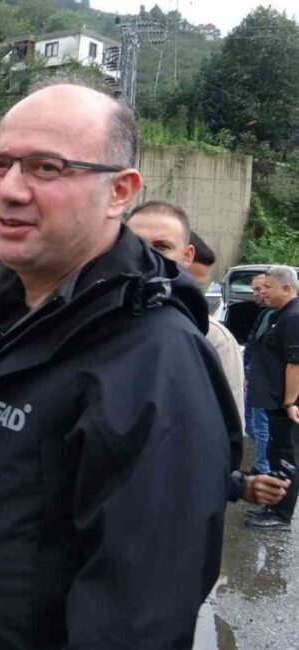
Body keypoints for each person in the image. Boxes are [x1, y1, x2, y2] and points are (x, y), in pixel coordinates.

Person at [0, 83, 234, 648]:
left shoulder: (156, 363)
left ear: (119, 191)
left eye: (46, 168)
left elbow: (136, 619)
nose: (8, 191)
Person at [126, 201, 288, 505]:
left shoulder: (210, 338)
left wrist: (234, 485)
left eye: (162, 246)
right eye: (136, 244)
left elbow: (220, 443)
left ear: (186, 256)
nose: (147, 257)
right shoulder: (87, 323)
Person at [246, 265, 299, 530]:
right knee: (277, 455)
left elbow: (295, 364)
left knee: (286, 456)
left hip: (283, 404)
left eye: (269, 288)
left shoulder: (293, 317)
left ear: (286, 288)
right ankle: (274, 505)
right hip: (274, 400)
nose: (264, 292)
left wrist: (290, 402)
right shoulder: (281, 314)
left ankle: (281, 514)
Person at [246, 274, 272, 474]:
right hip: (255, 377)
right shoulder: (266, 313)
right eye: (254, 289)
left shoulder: (282, 316)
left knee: (261, 426)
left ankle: (264, 467)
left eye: (260, 289)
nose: (257, 293)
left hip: (264, 382)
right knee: (252, 425)